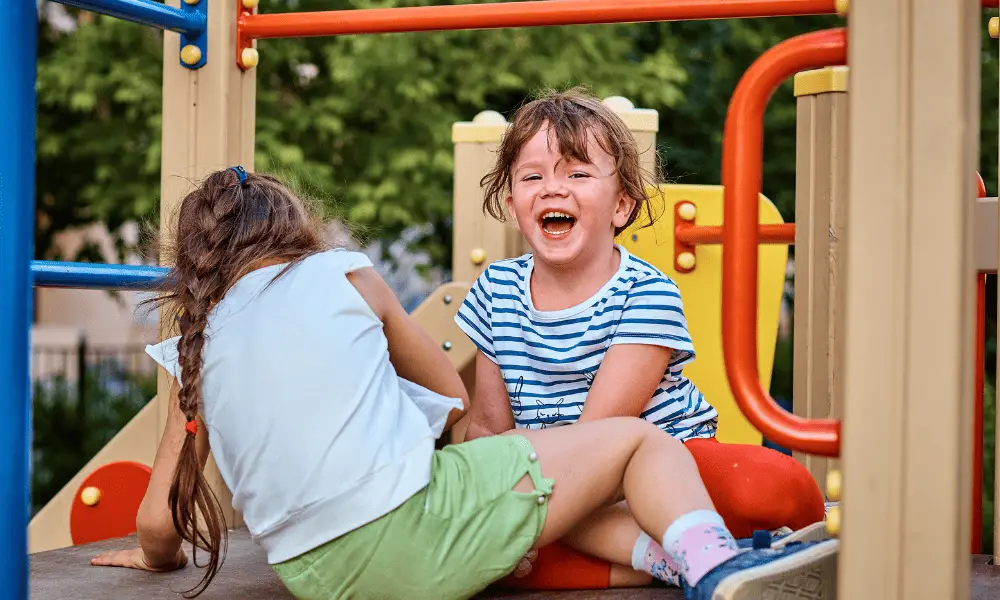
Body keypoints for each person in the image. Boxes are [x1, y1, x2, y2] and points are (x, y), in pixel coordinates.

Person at [89, 166, 836, 600]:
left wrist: (149, 559)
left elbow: (158, 524)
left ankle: (661, 560)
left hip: (315, 579)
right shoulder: (341, 273)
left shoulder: (197, 343)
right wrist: (469, 459)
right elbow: (446, 383)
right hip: (412, 536)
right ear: (297, 230)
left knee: (538, 501)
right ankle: (718, 573)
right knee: (641, 445)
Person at [454, 88, 827, 590]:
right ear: (511, 203)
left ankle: (659, 545)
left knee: (769, 487)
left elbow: (602, 435)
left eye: (578, 174)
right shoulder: (496, 291)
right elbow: (488, 430)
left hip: (662, 471)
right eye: (532, 176)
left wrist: (524, 513)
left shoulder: (644, 292)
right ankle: (689, 559)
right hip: (561, 488)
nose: (552, 189)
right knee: (477, 542)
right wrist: (492, 498)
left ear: (622, 206)